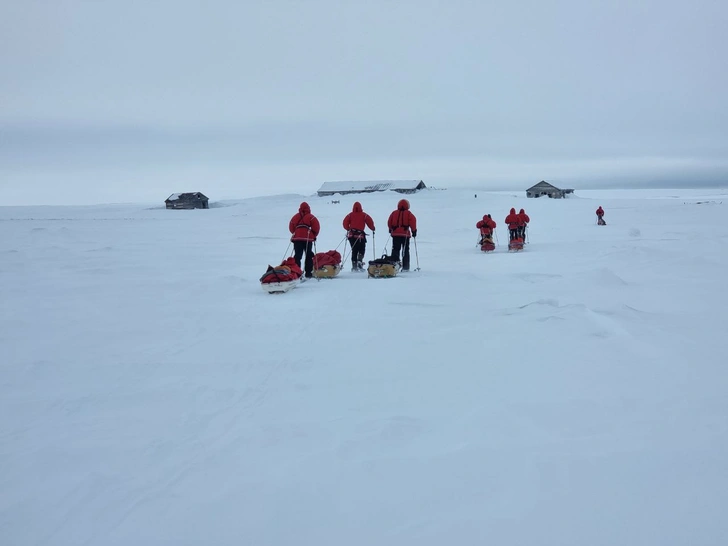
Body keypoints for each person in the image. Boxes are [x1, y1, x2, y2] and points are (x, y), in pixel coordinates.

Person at [288, 201, 320, 278]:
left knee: (297, 256)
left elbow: (291, 227)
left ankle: (297, 272)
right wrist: (313, 235)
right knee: (308, 255)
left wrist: (296, 233)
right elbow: (316, 227)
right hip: (308, 239)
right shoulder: (311, 217)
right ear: (308, 208)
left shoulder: (295, 217)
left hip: (297, 239)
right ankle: (308, 273)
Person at [342, 201, 375, 271]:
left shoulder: (350, 215)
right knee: (361, 249)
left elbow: (345, 222)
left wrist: (348, 228)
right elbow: (369, 221)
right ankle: (359, 261)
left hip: (352, 236)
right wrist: (372, 228)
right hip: (360, 236)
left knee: (354, 250)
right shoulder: (364, 215)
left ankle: (354, 266)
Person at [387, 199, 417, 271]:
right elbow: (413, 221)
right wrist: (414, 231)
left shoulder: (394, 213)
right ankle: (405, 267)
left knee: (395, 249)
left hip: (395, 234)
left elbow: (389, 221)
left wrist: (390, 229)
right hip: (405, 234)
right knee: (405, 250)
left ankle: (395, 264)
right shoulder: (409, 214)